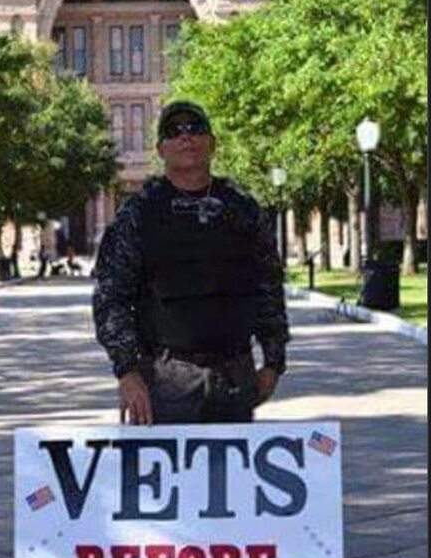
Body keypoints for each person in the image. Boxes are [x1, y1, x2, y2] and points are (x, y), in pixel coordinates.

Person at [93, 101, 290, 425]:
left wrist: (273, 362)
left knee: (231, 476)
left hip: (234, 374)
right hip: (165, 377)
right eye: (174, 131)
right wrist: (127, 371)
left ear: (212, 143)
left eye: (195, 129)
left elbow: (268, 286)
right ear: (161, 148)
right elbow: (111, 298)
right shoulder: (138, 214)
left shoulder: (242, 210)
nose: (186, 138)